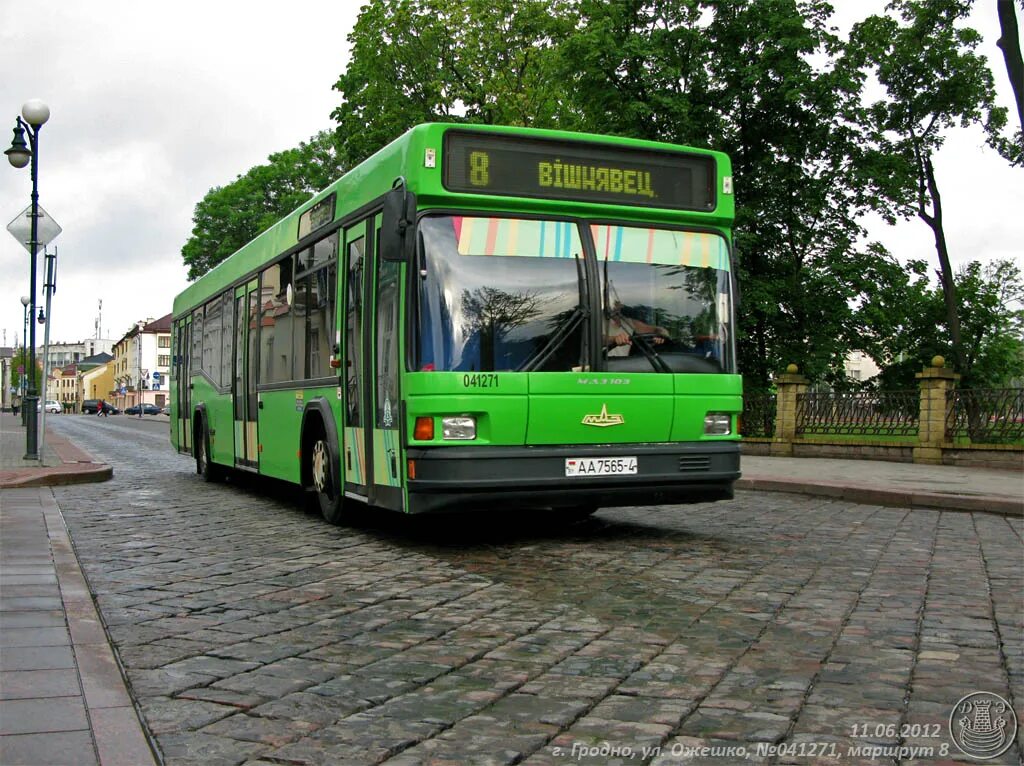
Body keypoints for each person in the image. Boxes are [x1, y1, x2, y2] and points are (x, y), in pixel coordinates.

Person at [603, 304, 670, 356]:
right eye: (613, 302)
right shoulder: (596, 317)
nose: (616, 304)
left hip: (623, 365)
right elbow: (595, 339)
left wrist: (660, 335)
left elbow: (658, 330)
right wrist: (614, 339)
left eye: (617, 301)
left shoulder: (628, 321)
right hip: (601, 366)